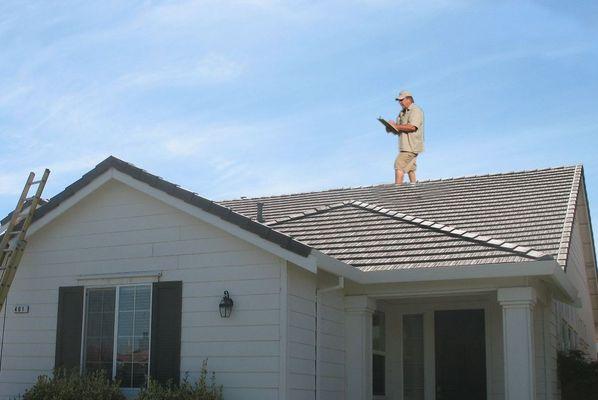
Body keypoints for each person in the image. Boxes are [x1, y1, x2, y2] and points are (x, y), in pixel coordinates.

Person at [386, 90, 424, 185]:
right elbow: (398, 129)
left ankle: (397, 192)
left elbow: (412, 127)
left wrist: (396, 126)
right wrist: (390, 127)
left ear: (409, 99)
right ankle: (414, 189)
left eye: (402, 100)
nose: (400, 102)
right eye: (399, 100)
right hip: (405, 146)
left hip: (412, 146)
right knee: (411, 168)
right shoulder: (402, 113)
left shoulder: (416, 110)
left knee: (398, 164)